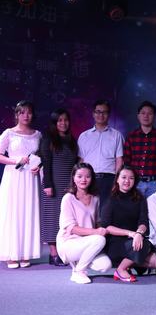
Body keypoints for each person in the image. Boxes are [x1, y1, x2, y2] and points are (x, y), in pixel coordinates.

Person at [102, 166, 156, 282]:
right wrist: (131, 234)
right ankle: (120, 269)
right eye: (124, 177)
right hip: (115, 242)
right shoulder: (110, 199)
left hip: (135, 240)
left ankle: (128, 264)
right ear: (117, 179)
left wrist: (139, 233)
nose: (127, 181)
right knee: (142, 246)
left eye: (131, 178)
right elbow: (107, 227)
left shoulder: (140, 198)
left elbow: (143, 222)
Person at [0, 101, 42, 269]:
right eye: (22, 112)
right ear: (17, 115)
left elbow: (41, 156)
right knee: (13, 212)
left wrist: (39, 166)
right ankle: (11, 253)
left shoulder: (37, 134)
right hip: (13, 176)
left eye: (29, 112)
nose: (26, 116)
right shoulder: (9, 133)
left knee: (28, 212)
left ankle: (25, 252)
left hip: (30, 178)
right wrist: (15, 160)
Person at [55, 163, 112, 283]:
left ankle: (78, 262)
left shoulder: (95, 198)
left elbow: (96, 222)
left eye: (88, 176)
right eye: (79, 176)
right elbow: (72, 228)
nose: (83, 180)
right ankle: (78, 271)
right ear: (73, 178)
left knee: (105, 265)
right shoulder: (68, 198)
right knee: (99, 239)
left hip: (87, 241)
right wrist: (96, 232)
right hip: (68, 243)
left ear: (92, 179)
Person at [39, 108, 79, 266]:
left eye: (66, 120)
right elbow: (46, 163)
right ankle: (53, 254)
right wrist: (48, 185)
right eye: (59, 120)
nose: (63, 123)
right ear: (54, 123)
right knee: (52, 218)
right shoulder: (48, 139)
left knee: (66, 219)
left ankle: (64, 252)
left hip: (68, 185)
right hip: (53, 184)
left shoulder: (71, 140)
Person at [77, 100, 124, 210]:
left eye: (104, 112)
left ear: (109, 114)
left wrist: (117, 181)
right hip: (88, 178)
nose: (101, 115)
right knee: (88, 210)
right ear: (93, 114)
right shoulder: (84, 136)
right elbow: (80, 160)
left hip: (109, 179)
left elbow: (119, 160)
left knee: (105, 212)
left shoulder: (117, 135)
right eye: (98, 112)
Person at [123, 101, 156, 198]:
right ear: (138, 116)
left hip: (154, 183)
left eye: (150, 113)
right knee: (134, 207)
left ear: (154, 116)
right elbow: (127, 161)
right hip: (136, 183)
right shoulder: (131, 136)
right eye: (143, 113)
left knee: (154, 208)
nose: (146, 116)